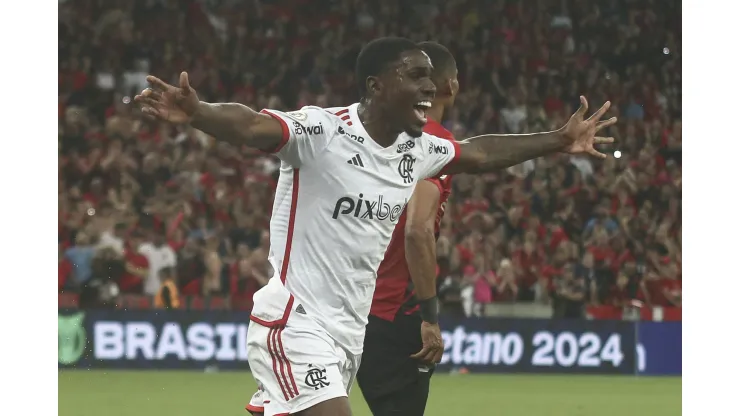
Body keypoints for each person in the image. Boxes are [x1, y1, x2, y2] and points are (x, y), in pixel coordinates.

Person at [135, 36, 615, 416]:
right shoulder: (322, 132)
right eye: (415, 75)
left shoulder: (418, 150)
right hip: (295, 323)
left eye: (431, 76)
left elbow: (482, 153)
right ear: (375, 86)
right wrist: (199, 113)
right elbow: (254, 127)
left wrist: (558, 139)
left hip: (349, 335)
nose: (431, 87)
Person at [355, 41, 458, 416]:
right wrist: (429, 318)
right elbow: (417, 229)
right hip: (395, 311)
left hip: (357, 303)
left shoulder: (384, 131)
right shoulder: (434, 141)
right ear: (452, 86)